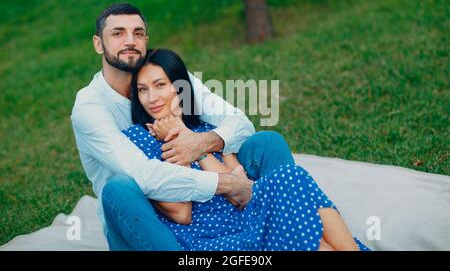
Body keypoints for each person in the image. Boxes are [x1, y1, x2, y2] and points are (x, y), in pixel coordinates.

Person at [71, 3, 297, 250]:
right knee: (119, 188)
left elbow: (240, 124)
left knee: (267, 143)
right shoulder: (89, 108)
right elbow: (144, 176)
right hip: (146, 217)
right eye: (117, 34)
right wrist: (229, 183)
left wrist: (199, 143)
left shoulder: (164, 75)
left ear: (146, 40)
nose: (129, 41)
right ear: (98, 44)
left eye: (137, 33)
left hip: (202, 207)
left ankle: (289, 234)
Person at [110, 48, 370, 251]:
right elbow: (182, 212)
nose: (152, 98)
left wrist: (192, 143)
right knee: (300, 233)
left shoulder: (202, 129)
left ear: (180, 88)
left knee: (292, 178)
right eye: (143, 90)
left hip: (244, 219)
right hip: (207, 239)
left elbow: (239, 191)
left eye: (159, 85)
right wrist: (174, 141)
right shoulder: (136, 140)